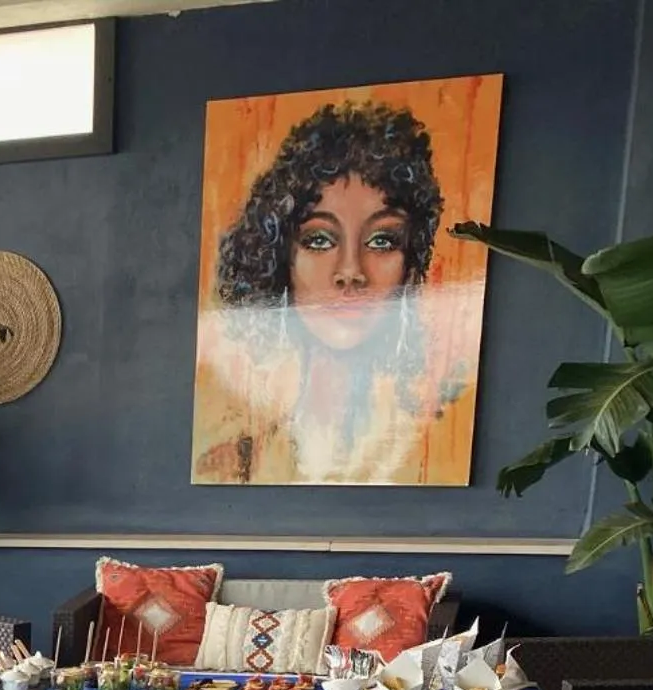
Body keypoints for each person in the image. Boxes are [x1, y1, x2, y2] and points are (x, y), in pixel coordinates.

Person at [193, 100, 456, 485]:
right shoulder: (231, 466)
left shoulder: (428, 459)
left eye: (382, 240)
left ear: (410, 265)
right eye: (319, 240)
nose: (350, 272)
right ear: (280, 258)